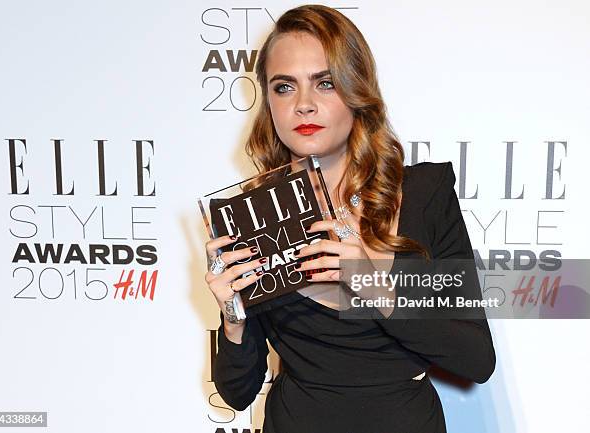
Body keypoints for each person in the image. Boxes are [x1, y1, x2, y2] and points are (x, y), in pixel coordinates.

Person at [203, 5, 496, 433]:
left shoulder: (423, 195)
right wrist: (233, 314)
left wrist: (373, 285)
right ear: (268, 102)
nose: (304, 105)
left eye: (324, 83)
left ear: (357, 90)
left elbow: (475, 359)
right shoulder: (253, 213)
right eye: (284, 87)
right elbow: (237, 392)